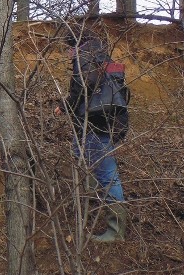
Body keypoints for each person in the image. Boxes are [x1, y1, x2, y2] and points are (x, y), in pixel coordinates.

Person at [55, 30, 129, 242]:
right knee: (81, 156)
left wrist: (65, 106)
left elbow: (82, 87)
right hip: (107, 122)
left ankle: (115, 231)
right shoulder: (102, 56)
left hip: (95, 125)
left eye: (69, 49)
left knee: (106, 173)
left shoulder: (86, 58)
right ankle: (88, 206)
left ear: (76, 45)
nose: (68, 54)